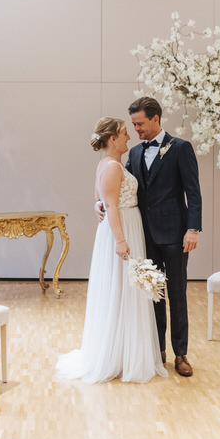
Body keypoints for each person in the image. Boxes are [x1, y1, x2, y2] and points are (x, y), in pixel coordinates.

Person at [56, 117, 167, 384]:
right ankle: (119, 355)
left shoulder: (110, 165)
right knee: (121, 290)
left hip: (128, 227)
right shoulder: (112, 167)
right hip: (122, 229)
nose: (129, 137)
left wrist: (98, 204)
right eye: (125, 134)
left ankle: (127, 351)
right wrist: (120, 240)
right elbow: (112, 205)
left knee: (125, 291)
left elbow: (101, 199)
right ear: (114, 139)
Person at [116, 96, 202, 377]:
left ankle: (180, 354)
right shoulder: (134, 155)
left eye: (140, 123)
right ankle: (157, 351)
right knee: (153, 295)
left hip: (176, 236)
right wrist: (99, 203)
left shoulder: (180, 148)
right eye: (133, 124)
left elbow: (193, 192)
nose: (137, 129)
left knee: (177, 294)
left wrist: (193, 229)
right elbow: (124, 187)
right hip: (145, 237)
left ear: (155, 119)